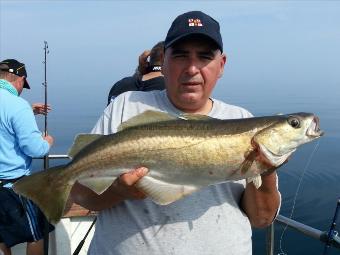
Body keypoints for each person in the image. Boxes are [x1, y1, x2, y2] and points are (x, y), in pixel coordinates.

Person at [71, 11, 281, 255]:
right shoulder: (125, 107)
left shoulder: (243, 121)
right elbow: (81, 194)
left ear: (221, 65)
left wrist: (266, 173)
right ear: (165, 61)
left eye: (204, 57)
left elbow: (262, 219)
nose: (192, 68)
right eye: (181, 55)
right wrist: (119, 191)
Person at [0, 59, 54, 255]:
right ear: (20, 80)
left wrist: (30, 112)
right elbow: (35, 149)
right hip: (13, 187)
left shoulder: (20, 107)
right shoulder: (17, 105)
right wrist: (47, 142)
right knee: (37, 234)